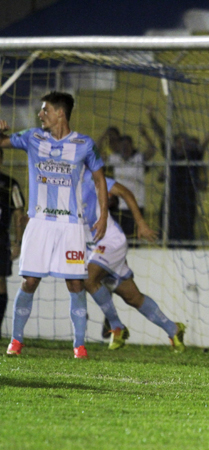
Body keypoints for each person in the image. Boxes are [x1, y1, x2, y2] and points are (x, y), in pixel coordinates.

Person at [0, 91, 109, 359]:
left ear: (60, 113)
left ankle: (79, 345)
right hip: (38, 222)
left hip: (70, 224)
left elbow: (99, 179)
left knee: (75, 284)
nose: (40, 114)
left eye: (45, 110)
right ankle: (16, 341)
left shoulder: (84, 144)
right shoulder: (32, 137)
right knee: (30, 281)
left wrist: (103, 215)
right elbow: (3, 142)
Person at [81, 169, 186, 352]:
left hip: (110, 241)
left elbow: (125, 193)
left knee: (89, 279)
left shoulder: (93, 181)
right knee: (132, 297)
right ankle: (173, 329)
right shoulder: (61, 188)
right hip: (91, 247)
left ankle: (116, 327)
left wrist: (141, 224)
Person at [147, 106, 209, 247]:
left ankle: (187, 249)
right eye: (179, 142)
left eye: (184, 142)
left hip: (188, 200)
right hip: (171, 199)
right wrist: (152, 118)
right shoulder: (171, 155)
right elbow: (160, 135)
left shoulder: (193, 156)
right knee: (167, 228)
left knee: (186, 229)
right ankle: (167, 248)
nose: (181, 144)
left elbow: (204, 145)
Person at [107, 128, 156, 243]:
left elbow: (153, 150)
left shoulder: (138, 158)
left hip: (136, 205)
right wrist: (105, 135)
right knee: (116, 240)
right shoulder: (114, 158)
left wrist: (145, 135)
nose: (125, 148)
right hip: (118, 206)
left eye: (127, 145)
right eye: (122, 145)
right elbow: (96, 154)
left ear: (132, 146)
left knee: (134, 240)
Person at [0, 148, 25, 337]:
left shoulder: (9, 184)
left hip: (1, 240)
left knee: (0, 283)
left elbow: (19, 213)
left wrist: (18, 242)